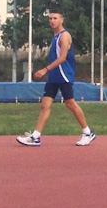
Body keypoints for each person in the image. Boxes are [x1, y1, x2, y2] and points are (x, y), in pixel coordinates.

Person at [16, 11, 96, 147]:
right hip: (54, 76)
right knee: (45, 105)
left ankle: (87, 132)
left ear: (61, 20)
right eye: (50, 18)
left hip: (64, 75)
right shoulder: (55, 37)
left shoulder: (64, 36)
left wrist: (45, 70)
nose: (52, 21)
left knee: (70, 103)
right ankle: (36, 136)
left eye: (55, 18)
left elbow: (63, 58)